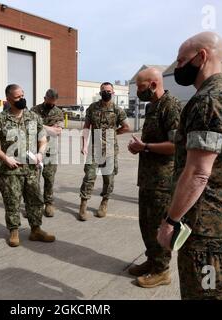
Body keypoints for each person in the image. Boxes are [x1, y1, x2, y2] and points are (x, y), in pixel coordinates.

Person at [157, 31, 222, 300]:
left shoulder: (209, 101)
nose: (177, 67)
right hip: (217, 219)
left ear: (201, 57)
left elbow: (199, 172)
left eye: (181, 60)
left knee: (207, 293)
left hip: (205, 225)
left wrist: (170, 221)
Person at [127, 67, 182, 287]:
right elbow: (151, 143)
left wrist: (146, 146)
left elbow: (176, 145)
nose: (138, 92)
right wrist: (141, 147)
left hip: (163, 181)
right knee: (146, 225)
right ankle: (152, 261)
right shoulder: (152, 107)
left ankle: (162, 271)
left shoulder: (171, 106)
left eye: (140, 87)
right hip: (148, 179)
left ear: (152, 84)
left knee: (159, 227)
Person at [0, 84, 56, 247]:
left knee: (35, 200)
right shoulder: (0, 119)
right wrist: (5, 158)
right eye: (17, 97)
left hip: (31, 169)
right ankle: (14, 231)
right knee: (12, 202)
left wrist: (40, 153)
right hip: (10, 170)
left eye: (22, 95)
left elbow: (43, 139)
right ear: (9, 99)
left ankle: (36, 230)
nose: (22, 99)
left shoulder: (34, 117)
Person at [78, 82, 130, 221]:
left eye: (108, 91)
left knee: (108, 178)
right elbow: (86, 127)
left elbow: (126, 127)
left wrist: (113, 133)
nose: (106, 93)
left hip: (110, 150)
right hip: (94, 149)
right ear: (100, 92)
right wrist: (84, 144)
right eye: (103, 91)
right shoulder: (93, 108)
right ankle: (83, 204)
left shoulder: (117, 110)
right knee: (89, 177)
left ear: (113, 93)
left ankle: (104, 202)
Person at [31, 89, 64, 217]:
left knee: (49, 179)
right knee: (34, 180)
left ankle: (49, 203)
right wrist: (48, 128)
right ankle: (35, 205)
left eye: (54, 102)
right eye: (49, 102)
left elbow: (57, 132)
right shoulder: (34, 110)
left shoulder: (58, 112)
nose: (51, 105)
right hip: (35, 150)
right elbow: (30, 128)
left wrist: (39, 125)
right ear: (45, 98)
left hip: (51, 151)